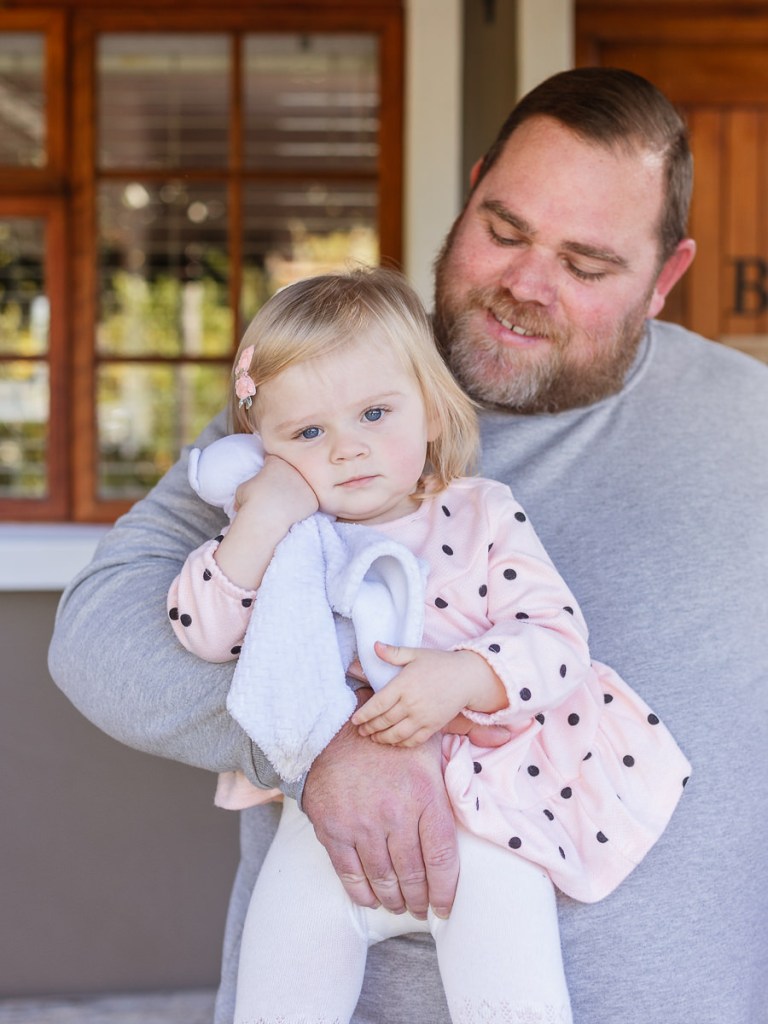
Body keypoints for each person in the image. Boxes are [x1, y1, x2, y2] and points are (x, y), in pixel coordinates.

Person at [48, 67, 768, 1024]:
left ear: (667, 277)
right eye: (503, 230)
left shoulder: (750, 427)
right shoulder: (328, 395)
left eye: (586, 265)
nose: (524, 284)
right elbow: (99, 634)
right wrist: (329, 741)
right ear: (470, 190)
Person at [166, 267, 689, 1022]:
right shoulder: (287, 540)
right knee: (274, 1001)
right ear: (263, 450)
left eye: (375, 413)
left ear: (431, 412)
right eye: (308, 433)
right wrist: (261, 516)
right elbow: (202, 632)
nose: (347, 450)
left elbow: (557, 637)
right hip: (323, 831)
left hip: (485, 820)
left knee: (516, 1002)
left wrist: (467, 675)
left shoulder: (478, 514)